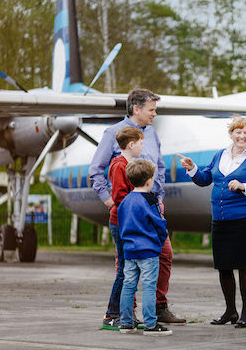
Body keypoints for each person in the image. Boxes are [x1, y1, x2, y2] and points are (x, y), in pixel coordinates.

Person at [88, 88, 186, 328]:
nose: (155, 114)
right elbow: (95, 170)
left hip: (152, 207)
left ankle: (159, 306)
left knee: (164, 255)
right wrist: (109, 199)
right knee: (126, 264)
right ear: (136, 109)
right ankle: (123, 312)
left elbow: (159, 167)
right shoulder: (113, 133)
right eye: (151, 109)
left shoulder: (152, 134)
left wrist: (159, 196)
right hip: (128, 212)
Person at [179, 117, 246, 328]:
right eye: (238, 132)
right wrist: (192, 169)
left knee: (245, 267)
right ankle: (230, 311)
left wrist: (245, 186)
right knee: (224, 267)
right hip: (220, 219)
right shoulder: (220, 155)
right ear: (231, 134)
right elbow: (204, 180)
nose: (242, 136)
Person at [118, 159, 172, 336]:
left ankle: (126, 322)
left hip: (129, 250)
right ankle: (150, 323)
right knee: (149, 286)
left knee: (128, 285)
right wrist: (160, 239)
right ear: (149, 181)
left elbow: (121, 223)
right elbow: (159, 224)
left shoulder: (125, 201)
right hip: (148, 251)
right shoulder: (151, 200)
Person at [99, 126, 143, 330]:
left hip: (129, 221)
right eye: (141, 142)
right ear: (132, 144)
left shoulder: (128, 164)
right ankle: (111, 314)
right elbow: (119, 196)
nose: (143, 146)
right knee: (124, 270)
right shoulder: (119, 165)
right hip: (121, 222)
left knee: (130, 269)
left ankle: (125, 314)